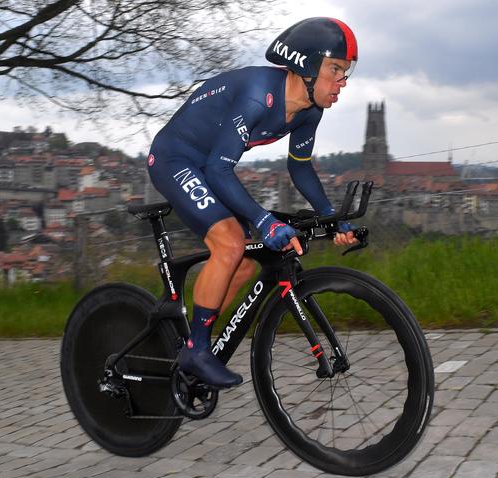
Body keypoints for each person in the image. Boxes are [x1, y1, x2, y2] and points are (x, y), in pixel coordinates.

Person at [147, 17, 359, 388]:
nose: (343, 81)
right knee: (230, 243)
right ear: (307, 66)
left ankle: (194, 340)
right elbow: (218, 170)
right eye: (336, 69)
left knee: (243, 264)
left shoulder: (310, 109)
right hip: (175, 160)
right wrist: (265, 221)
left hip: (209, 165)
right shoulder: (259, 95)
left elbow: (301, 168)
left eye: (346, 71)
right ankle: (196, 351)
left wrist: (332, 217)